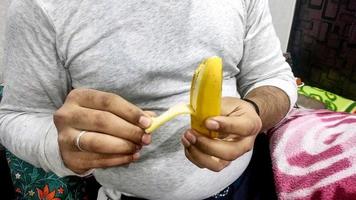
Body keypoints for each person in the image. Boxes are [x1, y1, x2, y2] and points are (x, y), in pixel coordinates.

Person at [0, 0, 297, 199]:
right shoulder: (40, 6)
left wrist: (255, 110)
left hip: (246, 185)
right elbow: (15, 115)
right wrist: (61, 147)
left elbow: (273, 77)